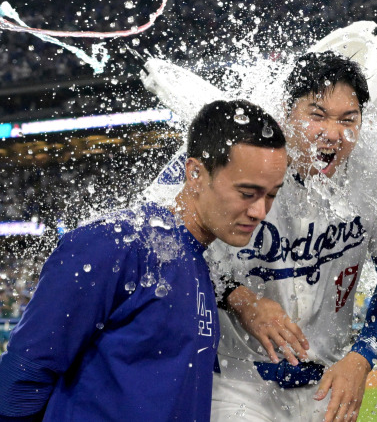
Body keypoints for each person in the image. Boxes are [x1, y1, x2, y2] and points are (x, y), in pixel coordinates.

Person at [0, 100, 288, 421]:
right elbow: (23, 375)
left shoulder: (198, 264)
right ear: (194, 173)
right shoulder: (114, 242)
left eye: (271, 194)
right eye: (247, 193)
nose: (260, 211)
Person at [209, 51, 377, 422]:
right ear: (288, 114)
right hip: (238, 380)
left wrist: (362, 357)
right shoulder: (247, 164)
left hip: (327, 382)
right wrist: (240, 298)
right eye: (317, 115)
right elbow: (184, 248)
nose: (333, 133)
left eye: (348, 119)